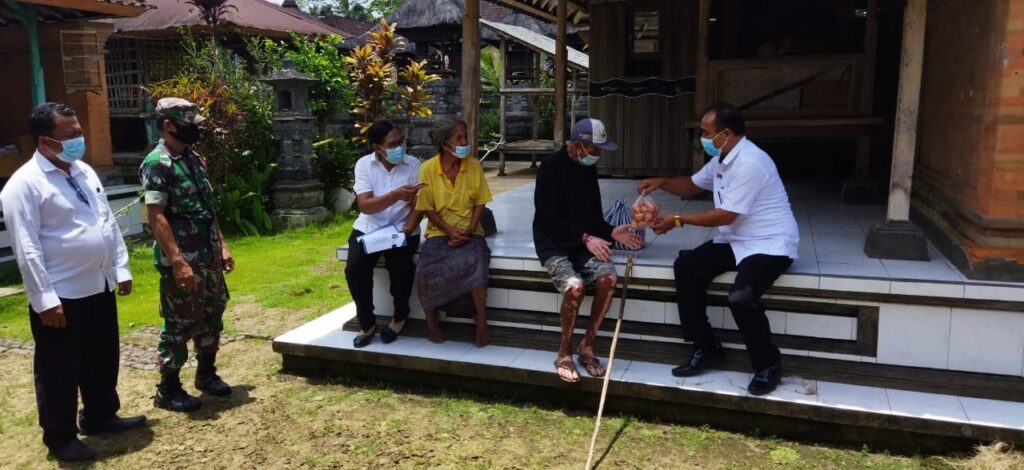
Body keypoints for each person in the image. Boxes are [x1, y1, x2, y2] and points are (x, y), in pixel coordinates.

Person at [1, 103, 146, 462]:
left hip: (98, 283)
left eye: (79, 131)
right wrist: (44, 300)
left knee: (102, 356)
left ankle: (100, 415)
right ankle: (60, 438)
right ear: (45, 141)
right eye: (71, 135)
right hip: (61, 294)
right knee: (59, 369)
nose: (79, 139)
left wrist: (120, 268)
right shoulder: (24, 184)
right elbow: (27, 248)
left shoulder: (83, 171)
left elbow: (105, 221)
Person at [638, 103, 799, 396]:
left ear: (725, 134)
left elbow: (726, 215)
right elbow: (691, 186)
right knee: (687, 266)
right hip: (737, 240)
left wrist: (678, 220)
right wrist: (661, 181)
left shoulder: (751, 162)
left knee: (741, 298)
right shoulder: (723, 159)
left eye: (705, 132)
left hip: (770, 243)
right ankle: (707, 347)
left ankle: (768, 365)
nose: (702, 138)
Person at [140, 98, 234, 412]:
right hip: (182, 257)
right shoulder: (158, 163)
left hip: (207, 253)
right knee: (180, 321)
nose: (196, 129)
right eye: (189, 124)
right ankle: (168, 389)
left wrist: (222, 244)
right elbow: (156, 216)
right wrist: (177, 261)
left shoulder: (194, 159)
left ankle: (206, 374)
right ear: (169, 125)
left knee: (212, 314)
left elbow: (208, 208)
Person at [533, 118, 642, 383]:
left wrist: (611, 232)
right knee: (575, 288)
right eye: (594, 149)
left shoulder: (587, 169)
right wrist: (586, 238)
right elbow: (548, 217)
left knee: (609, 278)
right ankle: (564, 352)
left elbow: (593, 216)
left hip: (582, 243)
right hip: (553, 242)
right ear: (577, 145)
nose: (597, 154)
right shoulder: (551, 166)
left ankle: (587, 346)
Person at [415, 117, 492, 347]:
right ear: (444, 143)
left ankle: (481, 320)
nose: (465, 142)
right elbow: (426, 207)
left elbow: (480, 202)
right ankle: (432, 321)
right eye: (459, 138)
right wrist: (449, 230)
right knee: (424, 269)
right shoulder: (427, 169)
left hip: (471, 230)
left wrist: (470, 228)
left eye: (465, 136)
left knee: (477, 260)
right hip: (439, 232)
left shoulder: (474, 165)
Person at [346, 120, 423, 348]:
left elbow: (419, 206)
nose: (399, 148)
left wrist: (407, 230)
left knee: (401, 269)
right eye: (392, 144)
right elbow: (365, 205)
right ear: (377, 148)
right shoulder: (364, 165)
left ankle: (399, 317)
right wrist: (395, 195)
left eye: (400, 142)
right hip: (369, 227)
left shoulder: (413, 165)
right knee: (355, 269)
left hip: (402, 227)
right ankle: (367, 323)